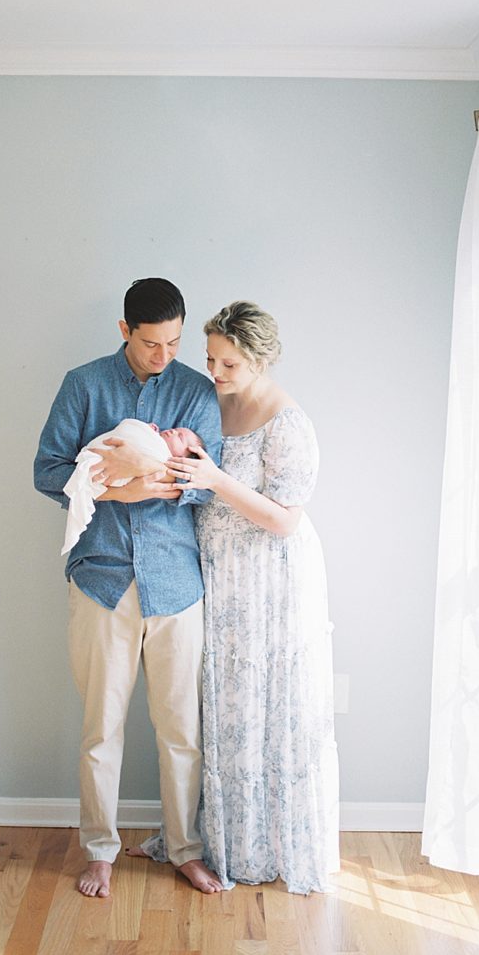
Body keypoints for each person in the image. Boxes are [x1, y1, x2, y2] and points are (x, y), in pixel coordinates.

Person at [133, 301, 340, 894]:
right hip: (217, 573)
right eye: (211, 359)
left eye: (228, 363)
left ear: (260, 360)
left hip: (270, 579)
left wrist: (216, 480)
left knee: (265, 704)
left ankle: (266, 843)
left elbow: (285, 521)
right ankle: (218, 838)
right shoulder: (211, 404)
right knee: (218, 705)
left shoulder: (288, 422)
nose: (215, 373)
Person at [33, 277, 224, 898]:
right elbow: (48, 470)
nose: (163, 356)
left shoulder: (197, 390)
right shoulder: (83, 384)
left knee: (181, 731)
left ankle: (185, 849)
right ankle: (99, 852)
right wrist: (118, 486)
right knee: (101, 727)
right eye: (150, 344)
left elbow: (203, 482)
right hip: (102, 579)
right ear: (124, 332)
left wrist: (145, 478)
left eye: (172, 342)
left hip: (176, 583)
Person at [61, 419, 204, 555]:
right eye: (175, 430)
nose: (173, 431)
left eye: (180, 437)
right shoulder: (152, 436)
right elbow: (47, 473)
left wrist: (146, 465)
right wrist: (121, 493)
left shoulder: (200, 402)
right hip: (99, 560)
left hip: (169, 557)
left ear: (184, 459)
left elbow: (206, 487)